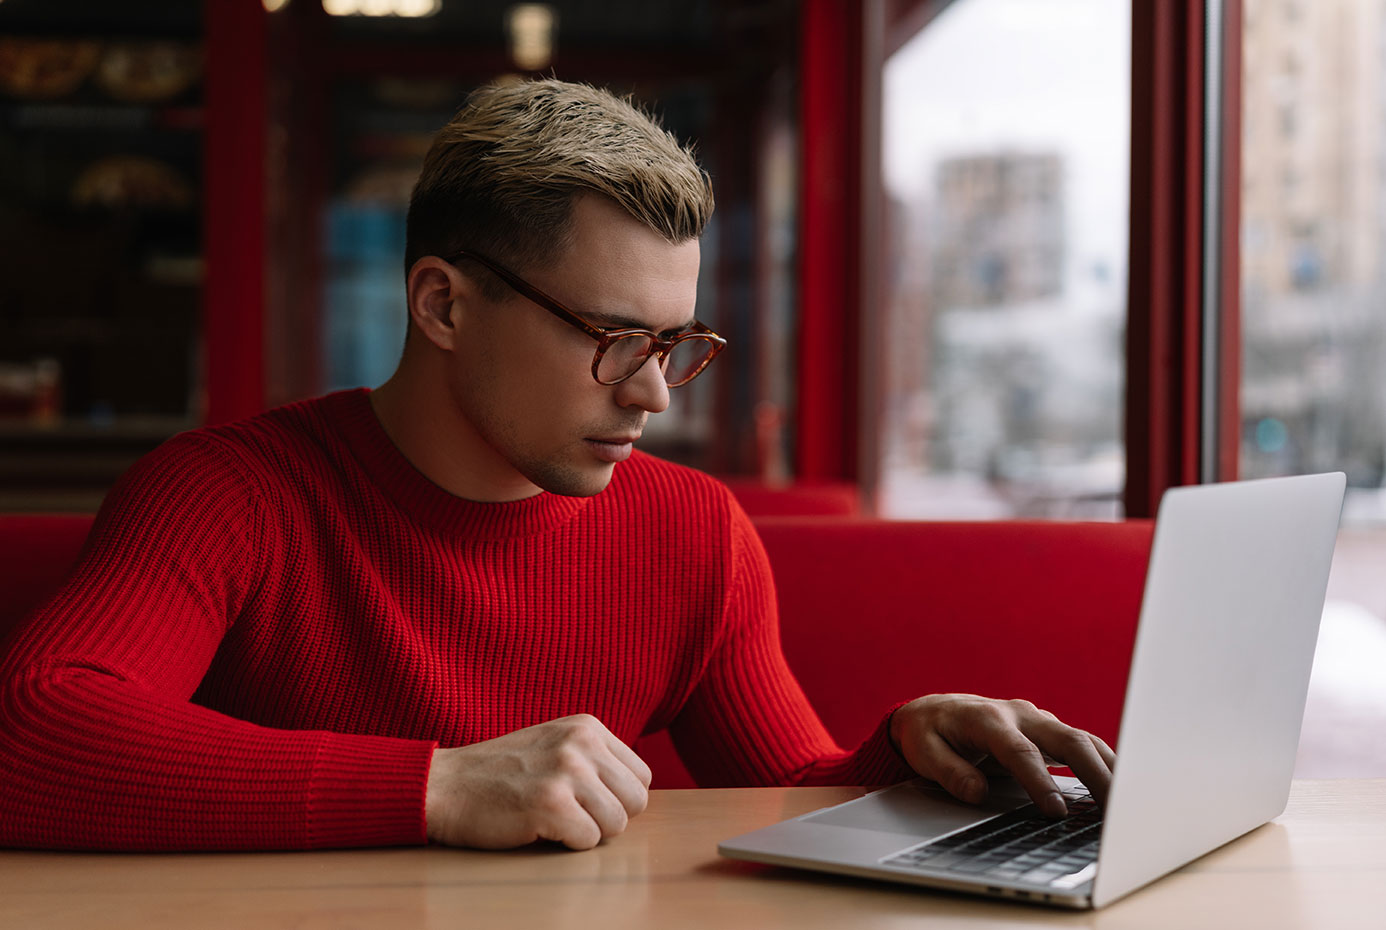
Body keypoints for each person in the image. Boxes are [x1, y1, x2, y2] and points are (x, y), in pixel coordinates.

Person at [0, 79, 1113, 853]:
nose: (653, 393)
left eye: (676, 344)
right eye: (613, 338)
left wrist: (907, 756)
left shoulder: (694, 533)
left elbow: (788, 801)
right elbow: (33, 732)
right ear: (443, 303)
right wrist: (439, 785)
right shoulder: (230, 495)